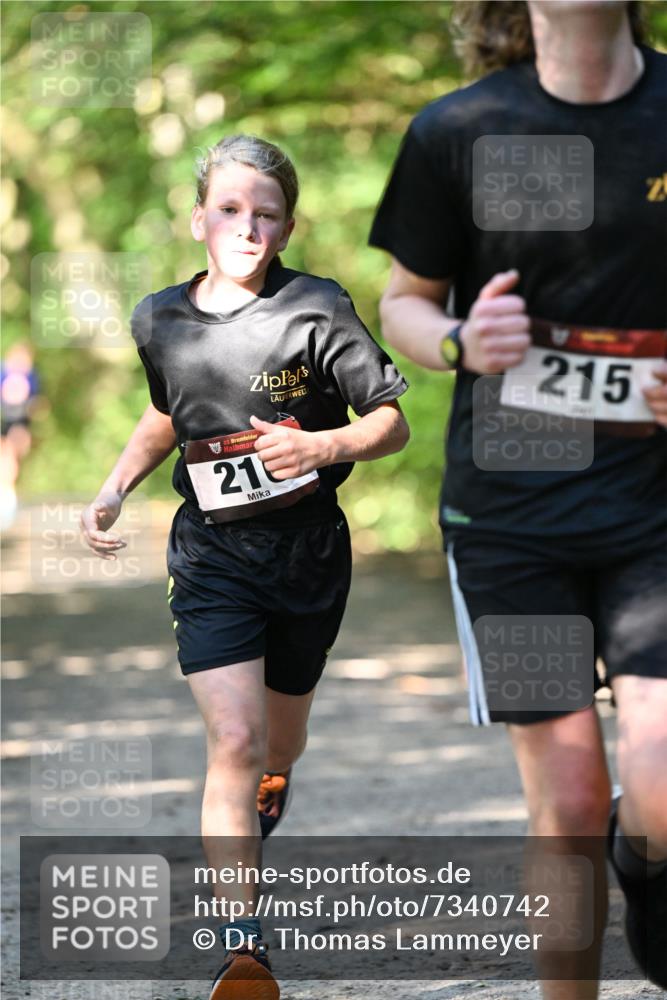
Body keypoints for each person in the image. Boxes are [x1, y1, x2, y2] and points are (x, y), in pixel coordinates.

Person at [369, 2, 666, 997]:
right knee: (571, 801)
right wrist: (458, 342)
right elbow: (404, 301)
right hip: (512, 525)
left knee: (661, 799)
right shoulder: (458, 131)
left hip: (658, 515)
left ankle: (651, 872)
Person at [81, 134, 409, 999]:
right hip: (213, 553)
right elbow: (168, 415)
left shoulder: (317, 308)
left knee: (278, 744)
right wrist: (115, 486)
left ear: (287, 226)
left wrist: (326, 443)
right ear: (199, 218)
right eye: (229, 208)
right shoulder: (159, 316)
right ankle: (244, 947)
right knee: (232, 738)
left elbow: (389, 421)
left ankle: (273, 772)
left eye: (265, 214)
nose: (246, 226)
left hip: (307, 553)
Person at [0, 341, 40, 530]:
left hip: (21, 423)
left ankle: (9, 500)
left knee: (13, 461)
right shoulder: (4, 372)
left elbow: (36, 401)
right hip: (6, 422)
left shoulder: (30, 376)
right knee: (8, 462)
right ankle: (7, 501)